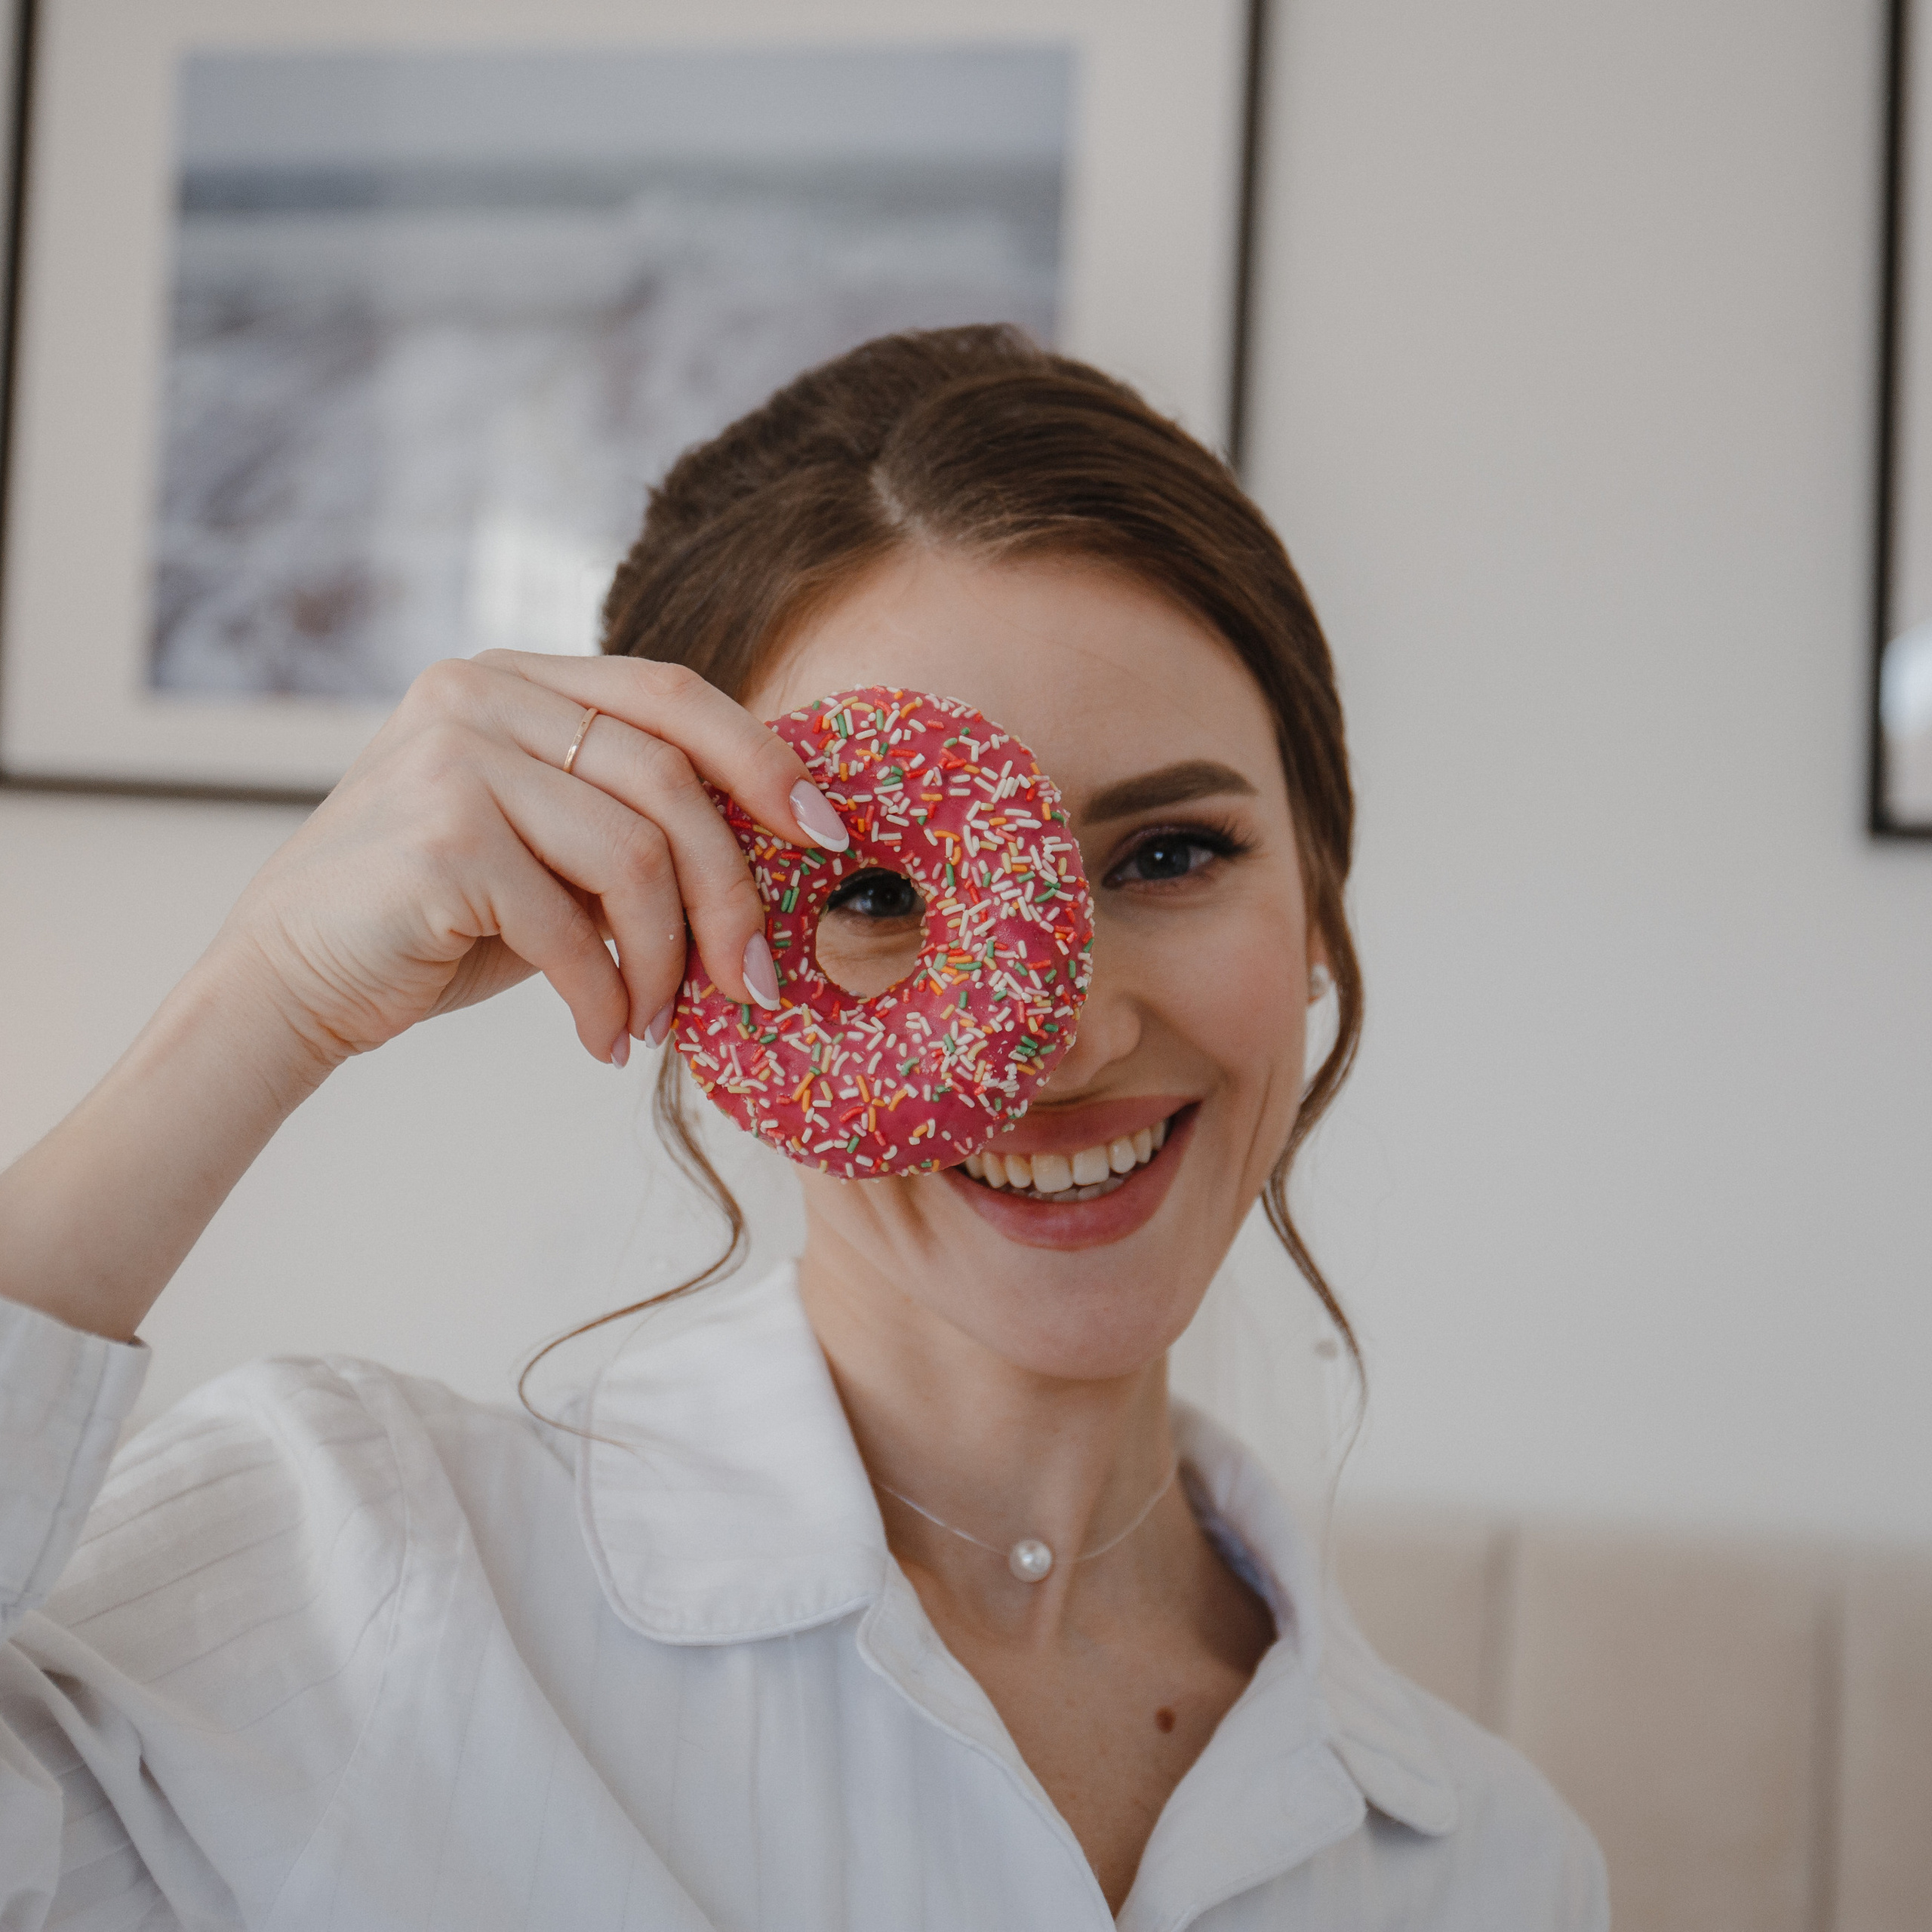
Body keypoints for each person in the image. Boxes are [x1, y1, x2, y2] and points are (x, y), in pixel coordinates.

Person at [0, 328, 1606, 1928]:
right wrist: (261, 1000)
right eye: (877, 893)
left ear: (1317, 895)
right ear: (686, 961)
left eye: (1170, 854)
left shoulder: (1489, 1865)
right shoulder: (344, 1584)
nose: (1068, 1033)